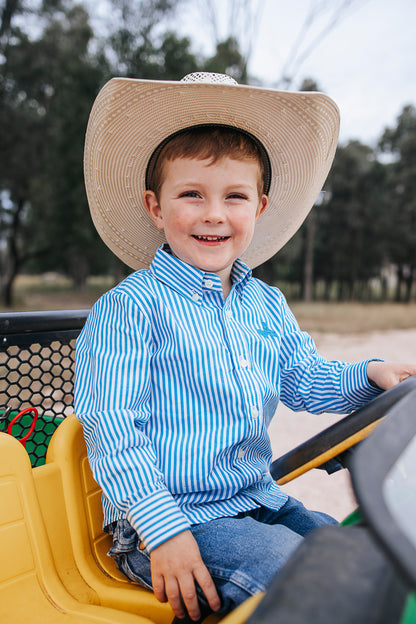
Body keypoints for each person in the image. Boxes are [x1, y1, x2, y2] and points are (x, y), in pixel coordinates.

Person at [75, 73, 416, 622]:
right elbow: (112, 427)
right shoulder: (130, 309)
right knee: (308, 584)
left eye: (233, 196)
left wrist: (370, 375)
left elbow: (304, 378)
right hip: (173, 521)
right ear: (156, 207)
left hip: (260, 500)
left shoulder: (265, 304)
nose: (214, 213)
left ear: (258, 206)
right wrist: (163, 532)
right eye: (191, 194)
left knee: (364, 557)